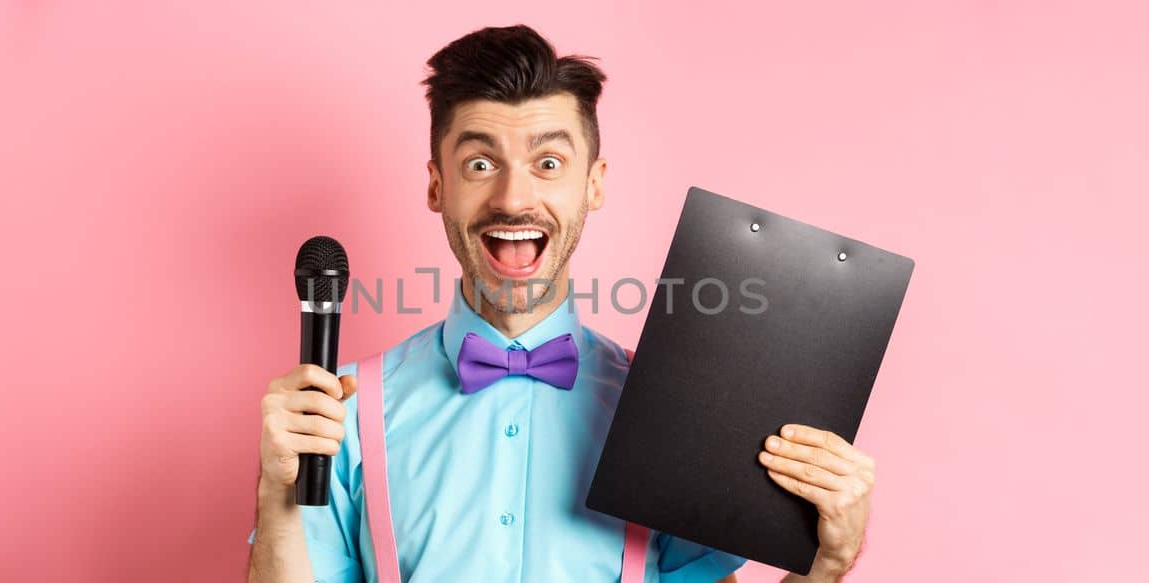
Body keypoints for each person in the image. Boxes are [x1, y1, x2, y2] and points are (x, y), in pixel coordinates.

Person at [247, 25, 874, 583]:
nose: (513, 197)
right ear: (437, 185)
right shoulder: (339, 415)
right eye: (480, 162)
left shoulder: (669, 405)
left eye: (548, 162)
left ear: (593, 183)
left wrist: (826, 567)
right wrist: (276, 498)